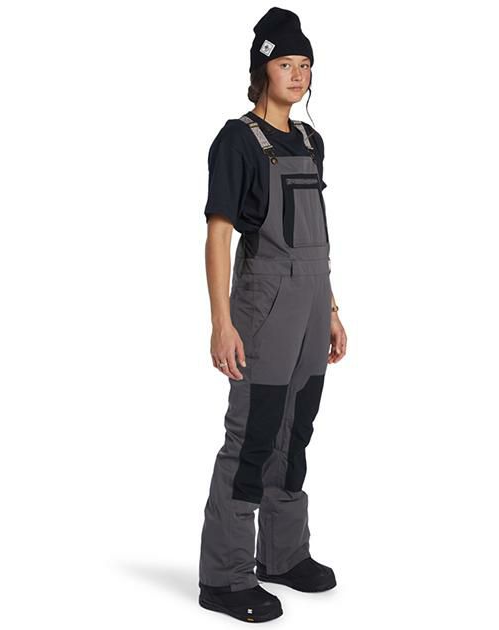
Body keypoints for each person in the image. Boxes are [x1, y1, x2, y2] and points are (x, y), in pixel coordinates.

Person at [198, 7, 348, 623]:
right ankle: (225, 577)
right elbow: (219, 235)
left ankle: (283, 556)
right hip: (264, 305)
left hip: (312, 302)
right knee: (254, 435)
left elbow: (318, 236)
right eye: (286, 63)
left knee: (296, 430)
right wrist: (221, 322)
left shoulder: (311, 141)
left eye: (305, 64)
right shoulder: (237, 140)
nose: (298, 74)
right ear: (262, 69)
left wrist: (332, 308)